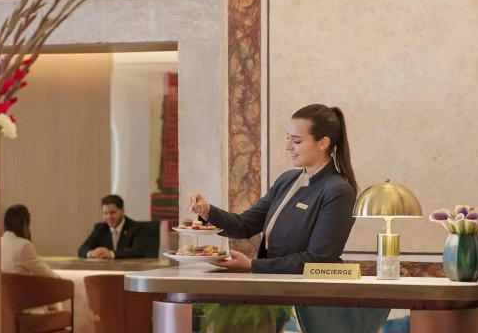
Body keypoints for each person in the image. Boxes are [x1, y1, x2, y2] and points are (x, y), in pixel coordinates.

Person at [188, 104, 358, 274]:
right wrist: (206, 210)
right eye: (288, 138)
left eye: (297, 141)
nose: (288, 146)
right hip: (273, 285)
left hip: (306, 289)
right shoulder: (286, 180)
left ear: (323, 143)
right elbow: (245, 225)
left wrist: (252, 265)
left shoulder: (338, 191)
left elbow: (317, 260)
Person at [1, 204, 86, 333]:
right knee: (52, 295)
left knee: (48, 299)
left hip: (2, 304)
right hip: (20, 305)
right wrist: (61, 280)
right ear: (25, 223)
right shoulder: (23, 246)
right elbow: (46, 273)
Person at [78, 194, 148, 259]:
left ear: (122, 211)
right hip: (105, 267)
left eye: (112, 213)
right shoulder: (100, 228)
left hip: (128, 267)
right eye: (105, 213)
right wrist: (91, 253)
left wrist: (111, 254)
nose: (109, 217)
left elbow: (138, 252)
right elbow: (82, 249)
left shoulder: (136, 228)